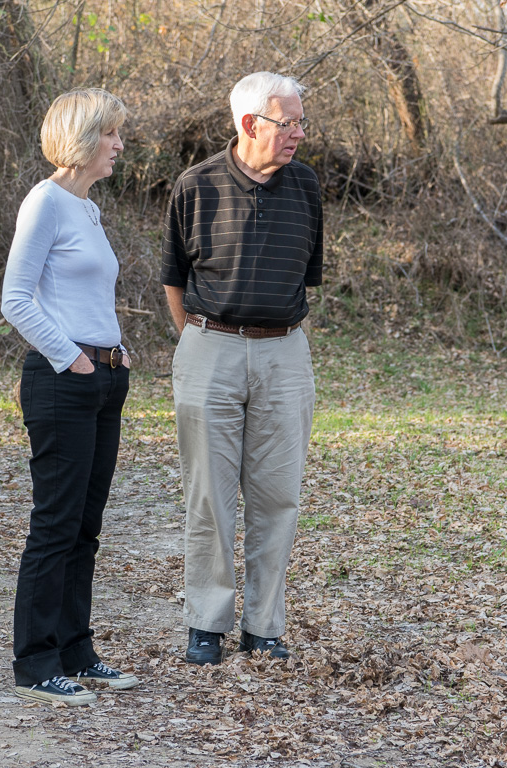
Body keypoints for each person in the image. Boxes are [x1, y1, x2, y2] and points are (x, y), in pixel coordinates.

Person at [161, 71, 323, 665]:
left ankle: (264, 626)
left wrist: (277, 343)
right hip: (210, 348)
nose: (300, 134)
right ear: (251, 124)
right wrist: (202, 345)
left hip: (285, 352)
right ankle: (206, 622)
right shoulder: (195, 185)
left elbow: (307, 277)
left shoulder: (306, 186)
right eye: (290, 123)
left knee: (277, 496)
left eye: (302, 122)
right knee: (209, 495)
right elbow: (174, 279)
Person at [1, 88, 139, 705]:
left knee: (86, 526)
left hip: (105, 378)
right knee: (55, 524)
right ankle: (35, 661)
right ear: (83, 139)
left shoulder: (87, 210)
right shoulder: (46, 202)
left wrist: (114, 349)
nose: (118, 145)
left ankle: (77, 651)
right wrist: (74, 357)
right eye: (110, 134)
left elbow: (85, 296)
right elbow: (16, 300)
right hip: (62, 380)